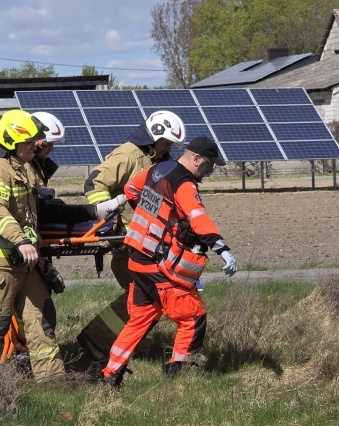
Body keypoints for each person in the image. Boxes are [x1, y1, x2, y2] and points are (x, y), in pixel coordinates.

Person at [101, 136, 237, 386]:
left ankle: (110, 374)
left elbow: (131, 190)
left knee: (140, 319)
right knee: (192, 318)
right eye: (208, 165)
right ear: (196, 158)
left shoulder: (157, 169)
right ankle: (177, 376)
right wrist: (222, 249)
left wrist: (151, 215)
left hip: (137, 259)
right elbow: (198, 218)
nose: (209, 172)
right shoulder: (184, 184)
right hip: (159, 264)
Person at [0, 109, 66, 383]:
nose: (35, 145)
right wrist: (20, 241)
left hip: (26, 264)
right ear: (11, 143)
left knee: (41, 320)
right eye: (29, 142)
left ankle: (53, 383)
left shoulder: (24, 165)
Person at [75, 110, 188, 364]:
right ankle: (96, 340)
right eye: (167, 142)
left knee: (147, 300)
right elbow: (95, 183)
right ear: (154, 136)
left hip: (147, 243)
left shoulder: (157, 160)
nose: (169, 148)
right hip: (128, 243)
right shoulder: (129, 155)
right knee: (144, 297)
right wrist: (106, 220)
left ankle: (133, 348)